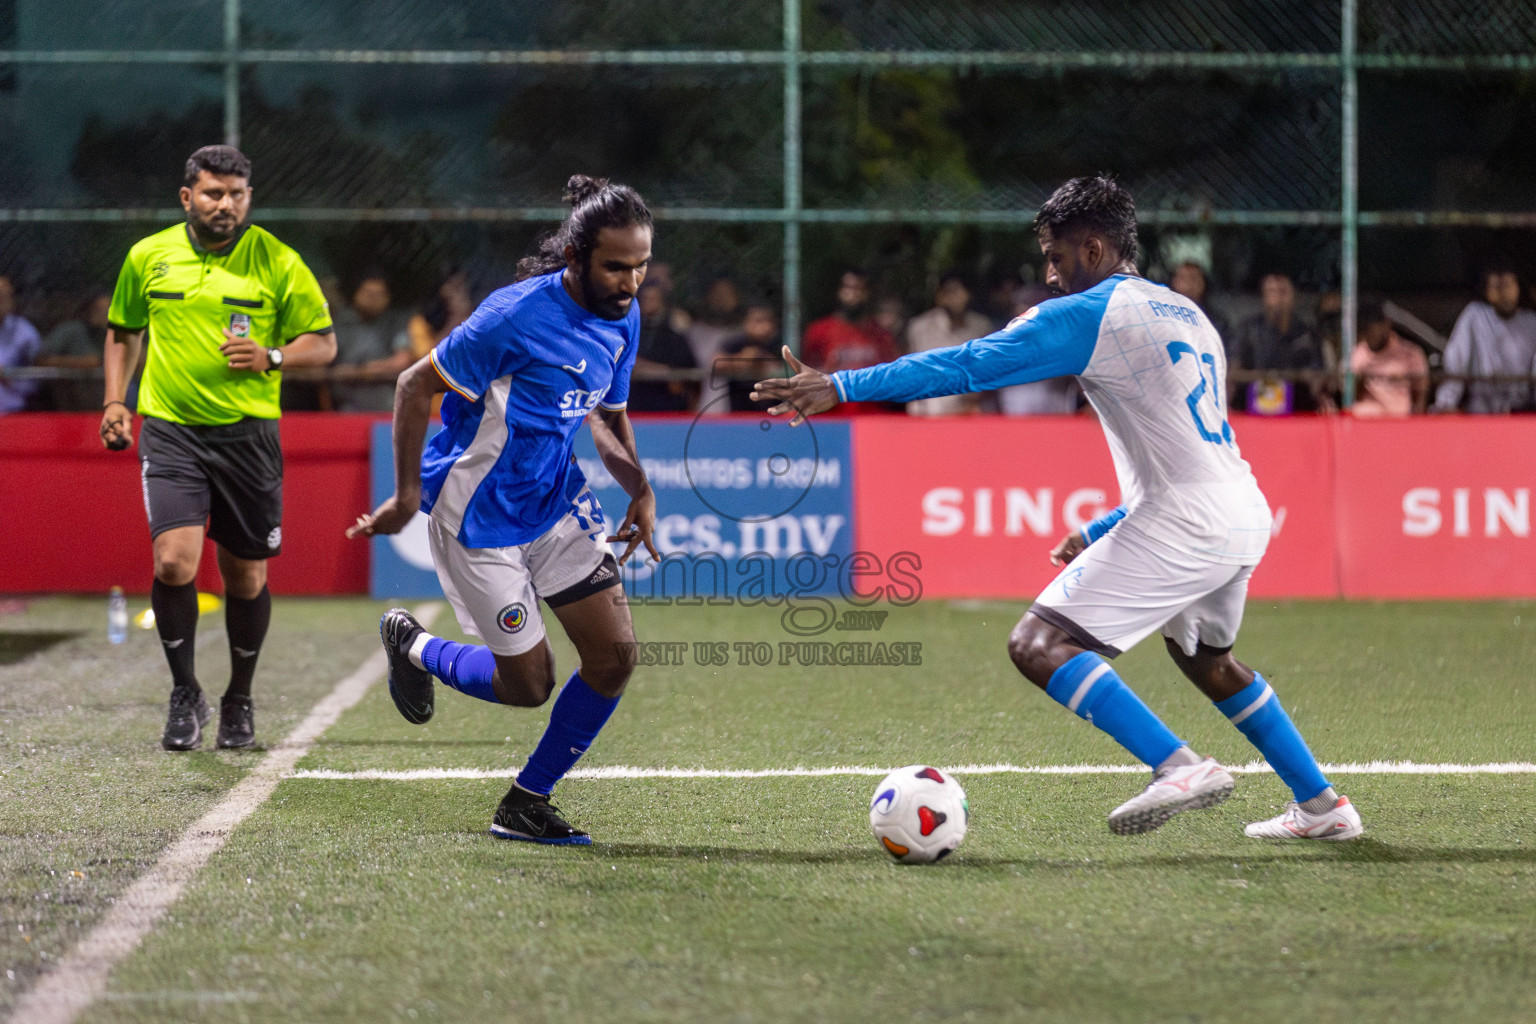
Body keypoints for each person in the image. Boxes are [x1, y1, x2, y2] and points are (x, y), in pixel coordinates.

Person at [755, 175, 1361, 842]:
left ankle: (1179, 766)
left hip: (1189, 520)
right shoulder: (1188, 313)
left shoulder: (1088, 313)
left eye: (1055, 255)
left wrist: (842, 383)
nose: (1048, 274)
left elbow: (968, 365)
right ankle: (1323, 806)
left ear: (1094, 250)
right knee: (1208, 662)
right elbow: (1190, 451)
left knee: (1040, 643)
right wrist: (1104, 527)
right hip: (1241, 512)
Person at [347, 175, 659, 846]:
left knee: (614, 657)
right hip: (477, 514)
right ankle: (416, 647)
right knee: (529, 685)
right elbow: (411, 384)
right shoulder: (511, 317)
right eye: (616, 267)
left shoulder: (623, 315)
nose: (631, 282)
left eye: (641, 266)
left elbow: (607, 417)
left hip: (554, 501)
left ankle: (525, 802)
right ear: (576, 255)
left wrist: (640, 486)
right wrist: (405, 498)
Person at [99, 145, 337, 751]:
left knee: (245, 576)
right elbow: (123, 331)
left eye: (236, 195)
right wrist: (115, 401)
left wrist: (272, 355)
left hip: (247, 438)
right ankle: (185, 692)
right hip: (172, 430)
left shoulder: (278, 261)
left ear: (248, 198)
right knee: (173, 563)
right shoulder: (148, 256)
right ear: (188, 197)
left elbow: (324, 343)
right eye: (213, 193)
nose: (226, 204)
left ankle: (239, 698)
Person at [1432, 267, 1536, 414]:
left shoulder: (1531, 322)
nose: (1503, 293)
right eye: (1495, 286)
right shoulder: (1475, 316)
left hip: (1521, 411)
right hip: (1481, 411)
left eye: (1507, 285)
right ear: (1486, 291)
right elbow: (1456, 359)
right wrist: (1446, 403)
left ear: (1518, 288)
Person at [1230, 273, 1325, 412]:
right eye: (1271, 291)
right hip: (1250, 410)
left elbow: (1317, 375)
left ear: (1293, 296)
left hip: (1297, 411)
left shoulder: (1307, 334)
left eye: (1283, 291)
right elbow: (1234, 369)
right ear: (1263, 296)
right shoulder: (1247, 330)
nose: (1277, 298)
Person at [904, 270, 991, 416]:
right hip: (929, 410)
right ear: (939, 296)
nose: (952, 297)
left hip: (970, 410)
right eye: (947, 292)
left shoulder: (981, 327)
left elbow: (989, 369)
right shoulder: (920, 327)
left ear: (968, 294)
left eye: (957, 291)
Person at [328, 270, 412, 412]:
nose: (373, 299)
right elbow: (328, 366)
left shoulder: (396, 322)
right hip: (345, 406)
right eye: (368, 293)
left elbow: (402, 360)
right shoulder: (339, 324)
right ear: (355, 294)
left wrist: (363, 371)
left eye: (379, 294)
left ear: (388, 297)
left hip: (387, 406)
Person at [802, 269, 897, 374]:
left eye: (859, 289)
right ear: (839, 291)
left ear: (867, 293)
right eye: (848, 288)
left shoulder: (881, 334)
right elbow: (808, 371)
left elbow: (890, 371)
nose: (853, 294)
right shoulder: (818, 331)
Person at [1350, 299, 1428, 417]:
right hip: (1366, 421)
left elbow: (1420, 393)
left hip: (1399, 421)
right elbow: (1349, 395)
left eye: (1371, 328)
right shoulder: (1359, 353)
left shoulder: (1410, 353)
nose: (1368, 334)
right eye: (1364, 329)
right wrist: (1361, 379)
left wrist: (1416, 426)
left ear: (1386, 325)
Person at [628, 280, 697, 413]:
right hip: (634, 407)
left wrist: (646, 368)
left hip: (667, 410)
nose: (650, 303)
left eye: (654, 298)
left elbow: (686, 378)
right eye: (646, 298)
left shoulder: (675, 338)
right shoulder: (628, 334)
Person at [36, 292, 109, 411]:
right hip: (68, 405)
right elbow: (41, 360)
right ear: (89, 310)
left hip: (101, 406)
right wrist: (80, 363)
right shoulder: (70, 331)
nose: (105, 314)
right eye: (99, 309)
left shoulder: (112, 335)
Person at [685, 275, 743, 415]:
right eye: (717, 294)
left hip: (738, 412)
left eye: (727, 294)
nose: (721, 299)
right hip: (700, 409)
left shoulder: (742, 334)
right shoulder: (694, 332)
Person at [717, 302, 782, 412]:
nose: (764, 326)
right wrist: (741, 359)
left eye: (768, 321)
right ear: (746, 322)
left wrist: (761, 360)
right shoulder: (737, 342)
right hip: (740, 408)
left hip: (773, 408)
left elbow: (783, 369)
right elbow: (717, 364)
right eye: (758, 321)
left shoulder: (777, 343)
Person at [0, 275, 41, 414]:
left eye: (5, 296)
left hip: (13, 415)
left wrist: (10, 378)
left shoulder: (25, 332)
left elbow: (38, 378)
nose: (1, 300)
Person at [1168, 261, 1229, 341]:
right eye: (1182, 278)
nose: (1188, 283)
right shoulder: (1164, 316)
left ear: (1203, 283)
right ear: (1174, 282)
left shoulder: (1217, 322)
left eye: (1193, 278)